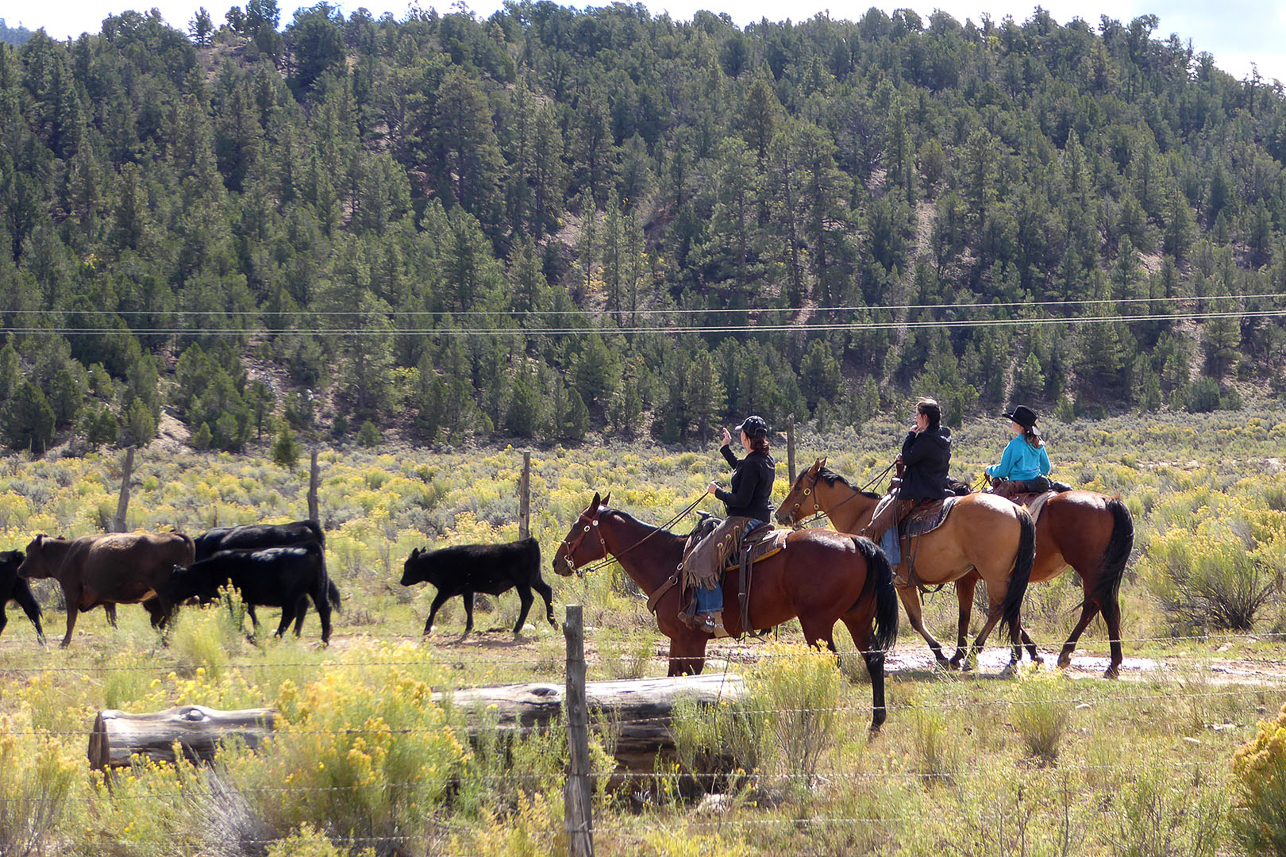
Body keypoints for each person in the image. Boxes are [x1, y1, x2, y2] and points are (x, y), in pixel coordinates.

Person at [682, 415, 776, 635]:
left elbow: (741, 500)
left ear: (746, 437)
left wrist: (718, 493)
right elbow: (742, 469)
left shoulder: (753, 462)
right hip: (761, 518)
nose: (739, 436)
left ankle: (710, 614)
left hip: (743, 520)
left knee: (700, 557)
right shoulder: (765, 459)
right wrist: (726, 449)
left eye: (741, 433)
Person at [860, 398, 952, 567]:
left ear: (925, 417)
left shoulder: (925, 439)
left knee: (884, 520)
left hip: (919, 489)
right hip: (939, 486)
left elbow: (909, 457)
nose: (916, 418)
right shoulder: (944, 435)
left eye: (917, 415)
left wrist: (911, 435)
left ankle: (891, 564)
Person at [986, 405, 1051, 496]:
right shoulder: (1038, 443)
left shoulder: (1014, 445)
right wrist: (1035, 474)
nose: (1011, 423)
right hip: (1036, 484)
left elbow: (1003, 472)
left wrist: (989, 470)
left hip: (1018, 485)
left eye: (1013, 422)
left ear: (1020, 426)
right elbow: (1046, 468)